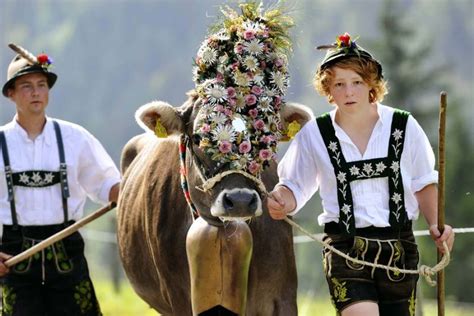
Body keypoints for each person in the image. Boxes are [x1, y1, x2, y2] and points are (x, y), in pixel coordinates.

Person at [267, 33, 454, 316]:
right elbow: (294, 185)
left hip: (399, 249)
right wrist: (281, 200)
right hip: (344, 250)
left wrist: (436, 225)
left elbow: (422, 182)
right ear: (328, 89)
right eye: (339, 84)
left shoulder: (404, 127)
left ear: (371, 85)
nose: (349, 92)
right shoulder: (315, 134)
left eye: (356, 82)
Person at [0, 44, 120, 315]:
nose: (36, 92)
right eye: (27, 86)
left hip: (67, 251)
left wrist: (133, 190)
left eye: (41, 85)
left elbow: (107, 186)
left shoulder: (75, 138)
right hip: (14, 257)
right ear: (11, 93)